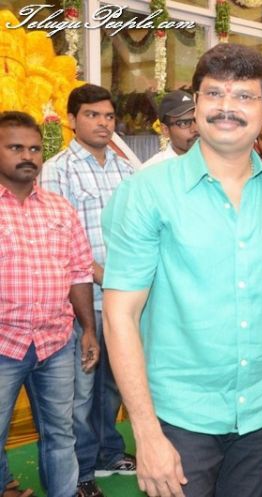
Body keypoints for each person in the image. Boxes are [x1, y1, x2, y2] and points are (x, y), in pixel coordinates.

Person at [101, 43, 262, 497]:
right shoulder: (147, 192)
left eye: (244, 96)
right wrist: (145, 432)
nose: (227, 107)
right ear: (196, 103)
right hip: (178, 417)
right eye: (214, 93)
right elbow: (121, 314)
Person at [40, 83, 135, 497]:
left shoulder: (126, 170)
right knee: (80, 392)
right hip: (81, 300)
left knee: (114, 384)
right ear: (71, 120)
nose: (103, 123)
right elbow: (60, 241)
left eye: (108, 116)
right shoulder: (57, 170)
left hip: (124, 299)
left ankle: (108, 453)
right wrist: (103, 277)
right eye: (93, 115)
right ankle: (80, 471)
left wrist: (127, 283)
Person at [0, 110, 96, 497]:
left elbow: (79, 272)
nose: (28, 156)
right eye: (15, 148)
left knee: (61, 432)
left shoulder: (60, 208)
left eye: (35, 149)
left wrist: (88, 329)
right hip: (3, 344)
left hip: (56, 342)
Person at [141, 90, 199, 168]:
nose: (196, 128)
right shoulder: (152, 170)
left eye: (198, 120)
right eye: (184, 123)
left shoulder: (213, 164)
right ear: (165, 130)